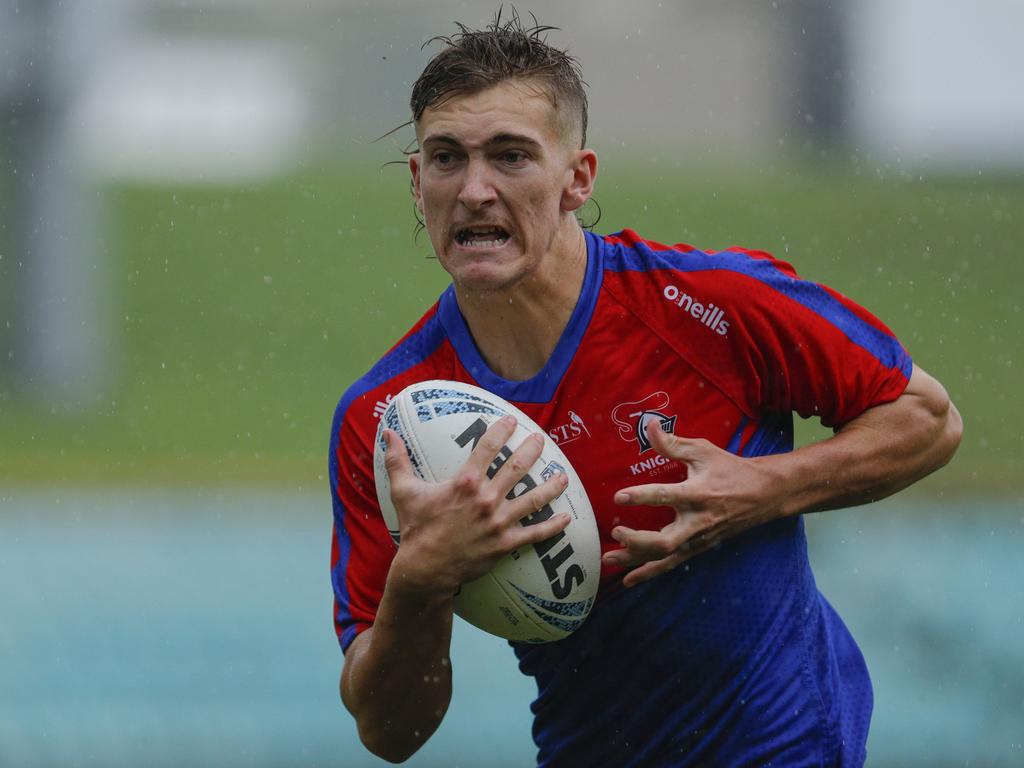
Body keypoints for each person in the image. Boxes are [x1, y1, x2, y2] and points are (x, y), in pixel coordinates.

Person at [328, 14, 962, 767]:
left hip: (785, 744)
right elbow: (390, 734)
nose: (474, 191)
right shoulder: (387, 421)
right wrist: (422, 582)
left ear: (578, 179)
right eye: (445, 158)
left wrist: (761, 488)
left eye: (510, 156)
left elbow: (928, 419)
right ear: (415, 181)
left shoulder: (708, 303)